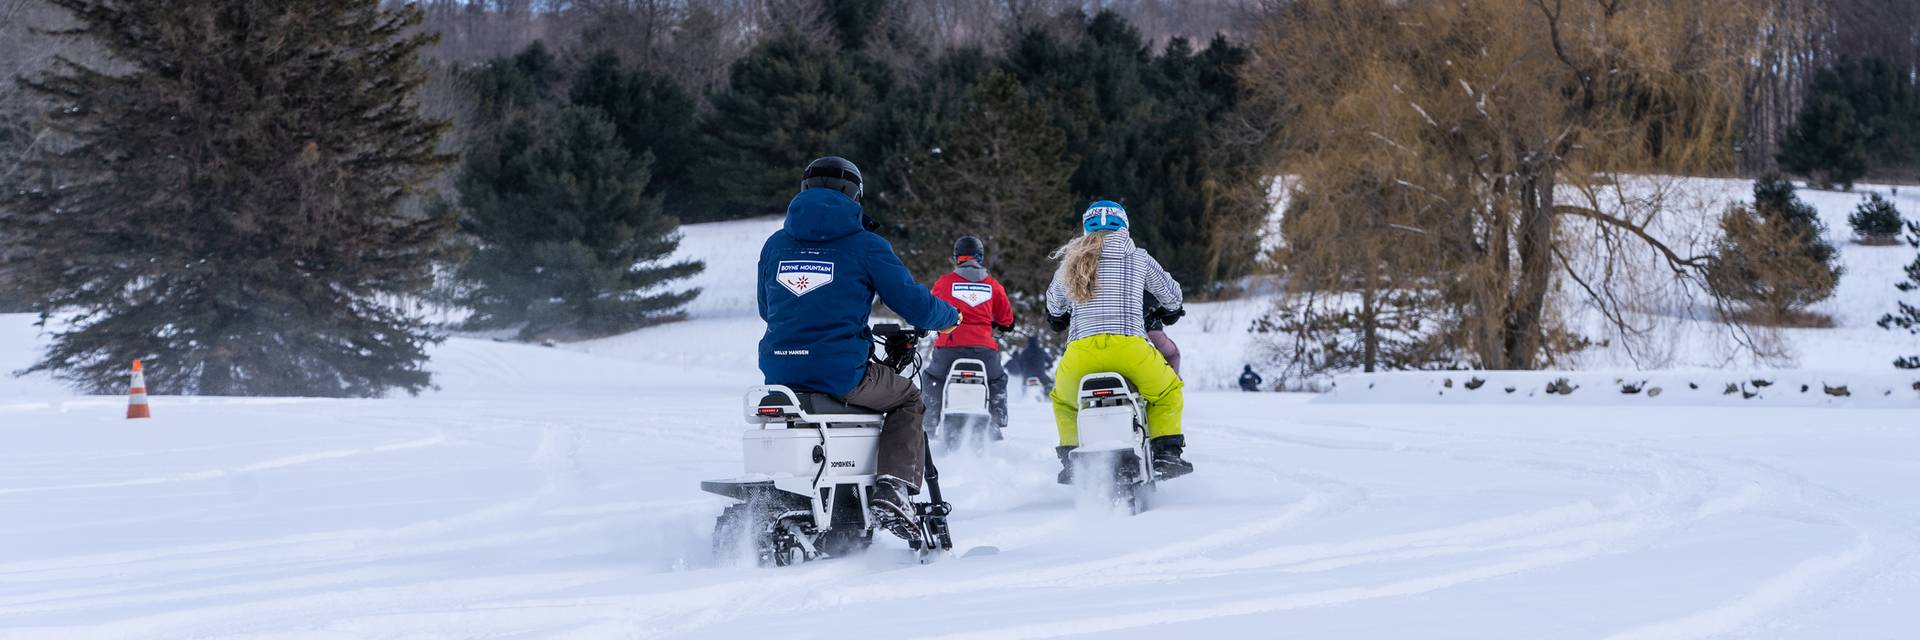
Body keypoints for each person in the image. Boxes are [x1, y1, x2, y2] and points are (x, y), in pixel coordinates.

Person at [757, 156, 959, 540]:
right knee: (907, 398)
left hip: (780, 372)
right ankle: (894, 488)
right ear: (855, 194)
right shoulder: (865, 244)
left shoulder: (775, 244)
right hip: (840, 372)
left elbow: (767, 309)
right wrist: (949, 316)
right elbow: (914, 303)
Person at [1044, 200, 1191, 483]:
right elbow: (1172, 295)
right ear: (1124, 226)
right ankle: (1166, 455)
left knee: (1064, 402)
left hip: (1081, 354)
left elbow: (1054, 306)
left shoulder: (1070, 262)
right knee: (1167, 391)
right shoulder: (1139, 257)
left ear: (1086, 228)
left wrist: (1058, 318)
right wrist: (1169, 311)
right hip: (1130, 350)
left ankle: (1071, 458)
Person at [923, 236, 1015, 436]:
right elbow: (1007, 320)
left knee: (933, 378)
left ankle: (928, 425)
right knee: (997, 380)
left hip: (949, 347)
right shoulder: (993, 285)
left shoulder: (944, 283)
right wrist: (1001, 325)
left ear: (957, 258)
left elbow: (930, 309)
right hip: (984, 349)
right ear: (979, 258)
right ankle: (997, 422)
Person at [1144, 291, 1184, 376]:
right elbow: (1171, 297)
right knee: (1173, 355)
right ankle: (1172, 384)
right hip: (1149, 329)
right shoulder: (1152, 278)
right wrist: (1175, 310)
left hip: (1110, 332)